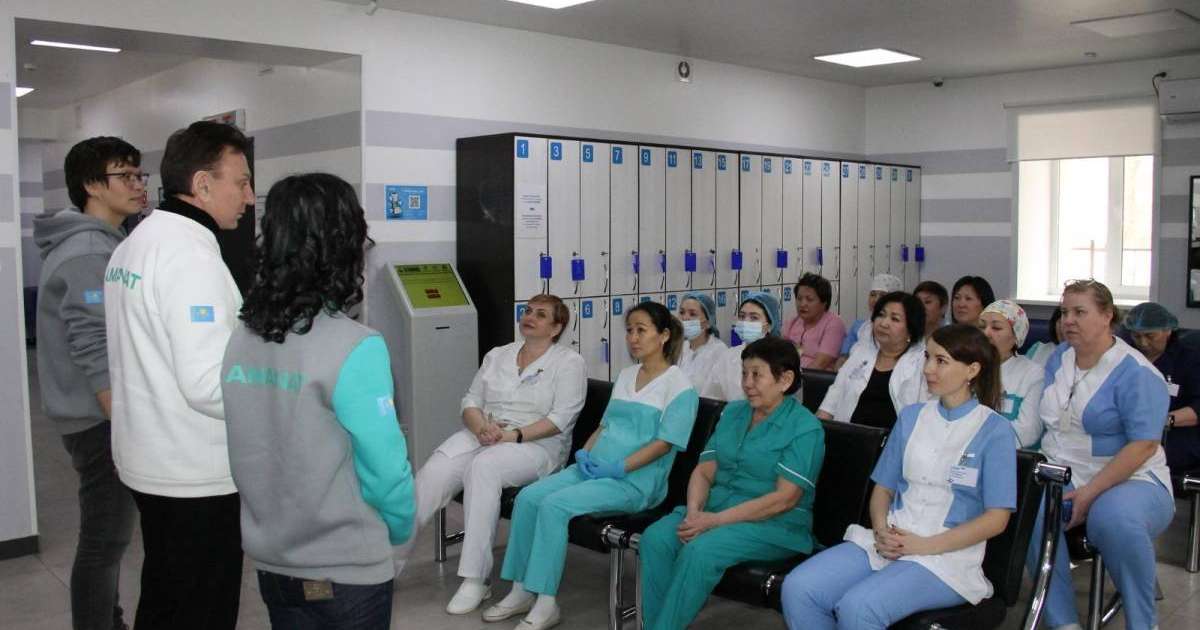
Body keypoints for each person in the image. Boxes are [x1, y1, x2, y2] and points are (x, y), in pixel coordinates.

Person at [222, 174, 414, 629]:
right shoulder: (356, 345)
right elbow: (386, 470)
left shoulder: (243, 337)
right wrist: (401, 529)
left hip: (274, 562)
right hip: (347, 570)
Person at [104, 121, 254, 629]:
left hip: (149, 457)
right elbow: (208, 385)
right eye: (241, 182)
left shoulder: (137, 242)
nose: (249, 197)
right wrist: (277, 399)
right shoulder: (190, 257)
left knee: (165, 597)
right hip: (192, 474)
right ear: (202, 184)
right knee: (199, 608)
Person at [781, 324, 1017, 629]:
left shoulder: (995, 430)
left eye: (941, 361)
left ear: (972, 369)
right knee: (799, 589)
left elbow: (997, 519)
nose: (928, 369)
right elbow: (883, 489)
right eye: (927, 357)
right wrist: (881, 530)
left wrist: (924, 546)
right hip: (891, 539)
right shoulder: (911, 417)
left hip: (946, 557)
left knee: (859, 608)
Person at [487, 301, 698, 630]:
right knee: (528, 498)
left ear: (664, 335)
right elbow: (604, 426)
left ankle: (545, 601)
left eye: (641, 330)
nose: (633, 338)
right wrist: (584, 455)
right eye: (629, 330)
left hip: (634, 482)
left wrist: (620, 468)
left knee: (554, 506)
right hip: (592, 468)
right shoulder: (627, 375)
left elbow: (664, 444)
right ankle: (520, 590)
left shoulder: (680, 386)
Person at [395, 293, 587, 614]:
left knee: (484, 467)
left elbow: (560, 419)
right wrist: (481, 426)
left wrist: (512, 436)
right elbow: (470, 401)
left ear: (556, 328)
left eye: (541, 314)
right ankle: (387, 564)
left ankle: (475, 579)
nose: (530, 317)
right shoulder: (498, 355)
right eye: (528, 311)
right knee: (433, 473)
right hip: (485, 434)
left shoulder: (569, 363)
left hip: (536, 446)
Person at [34, 136, 146, 630]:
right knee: (105, 540)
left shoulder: (105, 242)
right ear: (91, 186)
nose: (138, 185)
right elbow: (92, 340)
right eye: (125, 175)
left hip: (93, 414)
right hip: (97, 418)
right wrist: (120, 419)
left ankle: (109, 620)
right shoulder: (86, 250)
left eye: (139, 174)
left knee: (107, 537)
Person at [639, 337, 824, 630]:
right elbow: (704, 472)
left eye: (757, 375)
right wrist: (694, 512)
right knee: (656, 538)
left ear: (785, 380)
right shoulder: (734, 413)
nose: (747, 383)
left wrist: (714, 521)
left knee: (700, 551)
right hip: (715, 510)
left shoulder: (805, 427)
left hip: (774, 525)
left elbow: (784, 499)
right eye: (744, 373)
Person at [1025, 281, 1175, 630]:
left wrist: (1089, 493)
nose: (1068, 320)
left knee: (1113, 518)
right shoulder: (1059, 359)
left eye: (1080, 312)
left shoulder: (1137, 372)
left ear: (1107, 316)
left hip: (1132, 477)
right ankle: (1063, 622)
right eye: (1065, 312)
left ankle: (1143, 622)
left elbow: (1143, 446)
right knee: (1030, 509)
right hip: (1064, 471)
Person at [818, 292, 928, 430]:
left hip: (895, 441)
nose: (883, 323)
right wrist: (817, 430)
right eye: (881, 315)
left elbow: (925, 416)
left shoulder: (922, 363)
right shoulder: (861, 351)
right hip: (848, 436)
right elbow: (834, 395)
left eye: (895, 319)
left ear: (911, 330)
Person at [1125, 302, 1200, 473]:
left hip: (1176, 433)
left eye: (1150, 336)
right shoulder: (1126, 356)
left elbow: (1198, 407)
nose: (1143, 342)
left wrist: (1164, 420)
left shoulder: (1189, 359)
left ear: (1168, 331)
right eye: (1137, 336)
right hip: (1130, 429)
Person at [978, 300, 1044, 448]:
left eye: (996, 327)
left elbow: (1028, 432)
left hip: (1012, 456)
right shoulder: (966, 368)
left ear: (1016, 336)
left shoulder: (1033, 374)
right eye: (982, 326)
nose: (986, 333)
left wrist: (978, 440)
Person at [702, 291, 783, 401]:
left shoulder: (781, 358)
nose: (745, 322)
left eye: (754, 318)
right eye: (742, 316)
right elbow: (711, 396)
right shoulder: (728, 356)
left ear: (769, 326)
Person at [782, 272, 847, 370]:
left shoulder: (834, 324)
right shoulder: (792, 322)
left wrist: (796, 378)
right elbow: (780, 355)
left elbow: (820, 364)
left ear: (824, 303)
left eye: (809, 299)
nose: (802, 304)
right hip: (788, 375)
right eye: (799, 299)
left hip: (815, 377)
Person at [837, 273, 903, 367]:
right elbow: (842, 357)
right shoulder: (858, 326)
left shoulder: (898, 330)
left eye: (882, 295)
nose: (876, 300)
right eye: (873, 295)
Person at [677, 291, 728, 394]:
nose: (685, 318)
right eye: (682, 312)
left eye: (692, 314)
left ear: (708, 322)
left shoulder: (720, 352)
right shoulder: (680, 348)